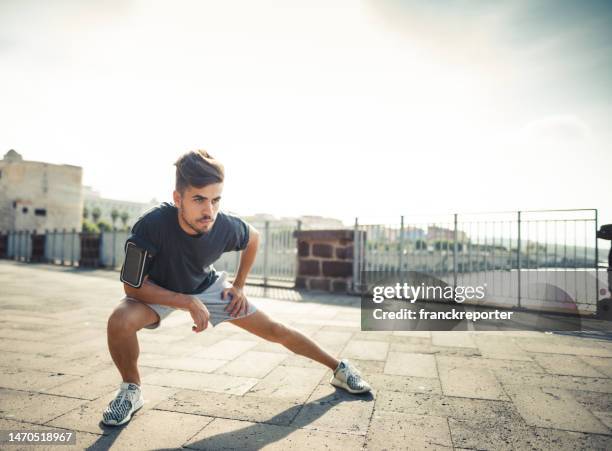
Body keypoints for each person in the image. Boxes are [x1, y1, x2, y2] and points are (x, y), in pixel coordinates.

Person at [102, 150, 371, 426]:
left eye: (216, 200)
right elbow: (131, 287)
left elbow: (254, 237)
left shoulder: (225, 225)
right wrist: (185, 302)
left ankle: (340, 368)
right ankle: (131, 390)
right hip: (157, 289)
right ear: (177, 198)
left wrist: (239, 286)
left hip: (204, 286)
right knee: (120, 320)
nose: (209, 211)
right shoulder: (150, 225)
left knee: (276, 330)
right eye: (199, 199)